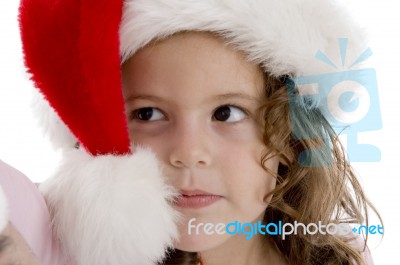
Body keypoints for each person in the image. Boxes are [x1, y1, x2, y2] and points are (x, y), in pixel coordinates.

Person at [13, 0, 381, 264]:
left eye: (226, 113)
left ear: (288, 135)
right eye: (148, 113)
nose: (188, 152)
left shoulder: (337, 254)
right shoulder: (48, 245)